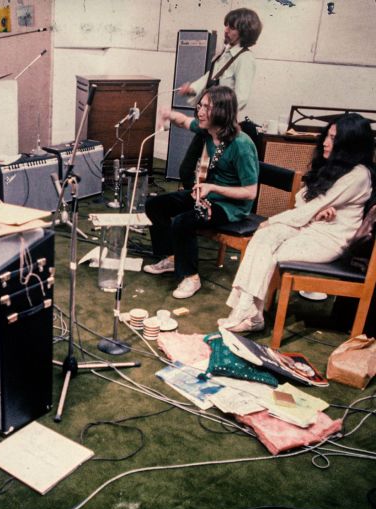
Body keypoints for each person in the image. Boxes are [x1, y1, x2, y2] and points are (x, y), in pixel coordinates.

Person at [218, 113, 375, 332]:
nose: (326, 142)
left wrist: (273, 220)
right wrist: (318, 208)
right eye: (327, 136)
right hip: (308, 226)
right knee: (263, 238)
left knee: (269, 252)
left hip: (329, 240)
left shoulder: (358, 175)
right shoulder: (333, 166)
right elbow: (302, 199)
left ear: (350, 145)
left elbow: (308, 207)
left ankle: (248, 313)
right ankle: (249, 313)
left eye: (334, 139)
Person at [145, 85, 259, 299]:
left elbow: (250, 192)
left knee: (183, 221)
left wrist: (212, 187)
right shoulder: (208, 130)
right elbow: (183, 121)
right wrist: (168, 114)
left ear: (222, 111)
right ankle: (172, 257)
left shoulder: (242, 145)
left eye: (207, 107)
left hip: (231, 206)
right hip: (206, 195)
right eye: (201, 106)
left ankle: (191, 277)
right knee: (155, 205)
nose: (200, 111)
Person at [177, 7, 263, 190]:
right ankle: (194, 199)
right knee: (186, 170)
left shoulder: (245, 59)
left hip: (222, 126)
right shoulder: (224, 54)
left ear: (244, 31)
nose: (226, 30)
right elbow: (209, 78)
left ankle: (201, 200)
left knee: (208, 173)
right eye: (226, 25)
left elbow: (241, 97)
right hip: (209, 122)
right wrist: (191, 89)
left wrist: (218, 114)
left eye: (231, 27)